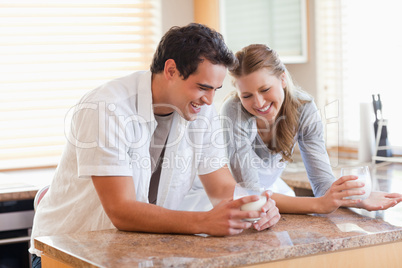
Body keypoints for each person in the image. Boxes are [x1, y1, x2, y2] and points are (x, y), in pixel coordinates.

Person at [29, 25, 280, 267]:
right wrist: (204, 221)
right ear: (171, 70)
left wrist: (256, 207)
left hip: (135, 252)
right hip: (68, 254)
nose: (209, 100)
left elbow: (222, 187)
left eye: (215, 90)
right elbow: (121, 209)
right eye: (203, 87)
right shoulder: (107, 107)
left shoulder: (201, 111)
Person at [219, 43, 402, 214]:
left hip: (268, 196)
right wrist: (319, 205)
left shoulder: (303, 108)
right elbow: (251, 194)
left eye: (265, 89)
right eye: (247, 95)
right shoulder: (234, 112)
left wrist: (358, 198)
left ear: (282, 78)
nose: (258, 102)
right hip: (225, 200)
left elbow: (323, 185)